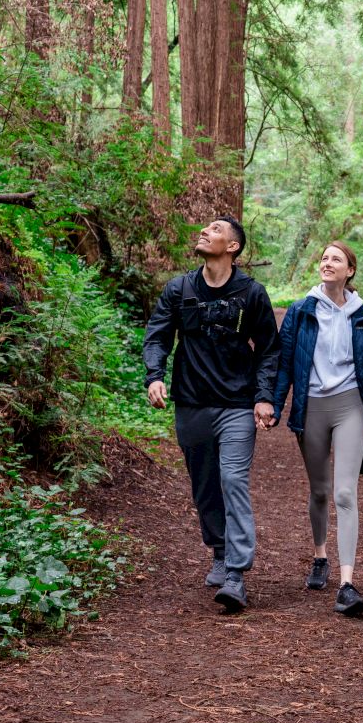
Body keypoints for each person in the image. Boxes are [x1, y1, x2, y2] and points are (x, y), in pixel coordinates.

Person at [143, 217, 280, 612]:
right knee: (204, 483)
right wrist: (155, 376)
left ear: (233, 247)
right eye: (205, 228)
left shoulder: (252, 293)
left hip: (236, 405)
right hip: (191, 404)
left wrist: (263, 396)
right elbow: (157, 335)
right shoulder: (179, 288)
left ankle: (236, 574)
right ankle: (218, 550)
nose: (205, 231)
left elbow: (269, 349)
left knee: (232, 479)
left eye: (216, 229)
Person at [270, 240, 363, 616]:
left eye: (336, 258)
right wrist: (272, 402)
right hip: (313, 406)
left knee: (345, 493)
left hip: (351, 407)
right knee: (319, 490)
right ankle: (320, 555)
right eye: (323, 258)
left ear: (350, 270)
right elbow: (286, 363)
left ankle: (347, 584)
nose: (327, 263)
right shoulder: (302, 311)